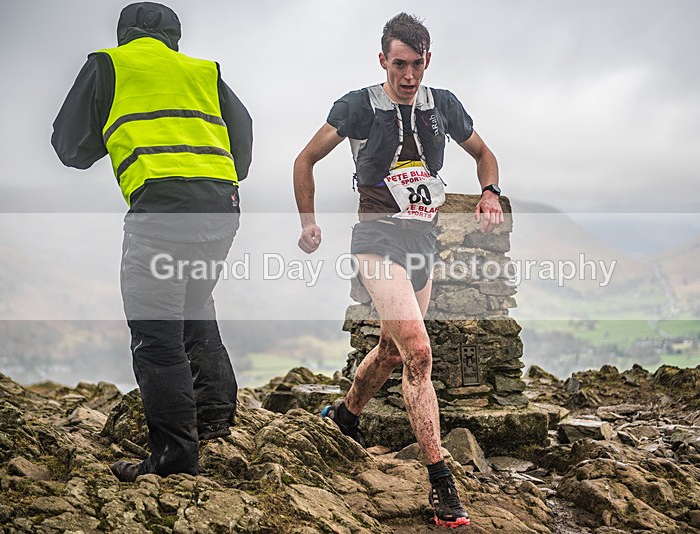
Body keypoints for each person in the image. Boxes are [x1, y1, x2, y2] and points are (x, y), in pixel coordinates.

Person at [293, 13, 503, 529]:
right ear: (383, 59)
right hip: (376, 240)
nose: (408, 75)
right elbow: (304, 160)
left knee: (391, 350)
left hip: (421, 243)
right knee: (419, 351)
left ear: (428, 60)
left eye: (417, 63)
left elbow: (485, 154)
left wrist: (490, 193)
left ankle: (345, 418)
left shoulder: (443, 106)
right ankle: (442, 485)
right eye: (399, 63)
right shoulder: (358, 106)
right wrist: (309, 223)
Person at [51, 2, 252, 482]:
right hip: (221, 206)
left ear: (124, 34)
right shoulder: (203, 71)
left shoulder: (108, 64)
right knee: (196, 304)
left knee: (156, 333)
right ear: (174, 38)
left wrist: (113, 136)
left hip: (162, 209)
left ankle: (174, 457)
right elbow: (241, 131)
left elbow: (69, 146)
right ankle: (216, 415)